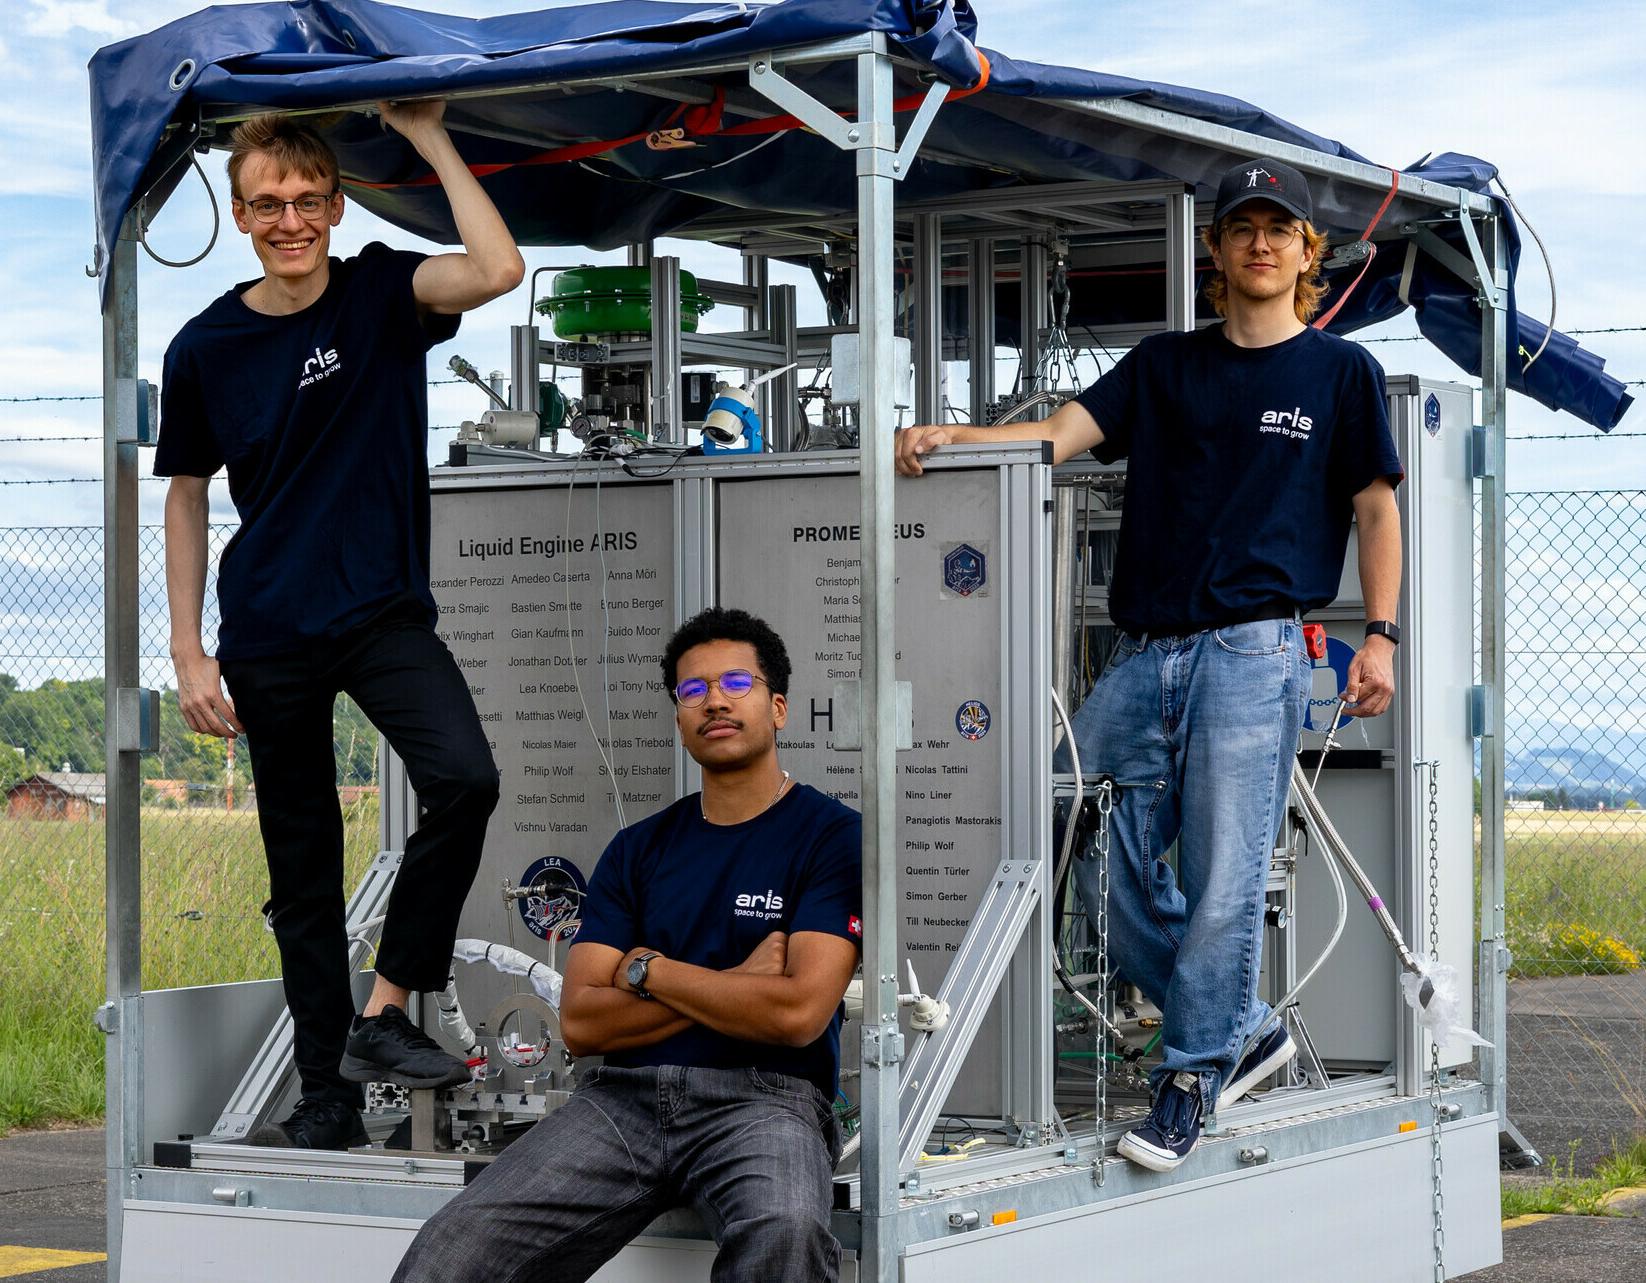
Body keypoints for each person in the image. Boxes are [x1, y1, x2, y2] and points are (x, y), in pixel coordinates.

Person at [895, 156, 1405, 1173]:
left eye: (1280, 230)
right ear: (1213, 252)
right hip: (1143, 655)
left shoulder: (1337, 373)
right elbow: (1051, 439)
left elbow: (1375, 506)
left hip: (1253, 654)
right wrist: (959, 437)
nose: (1260, 243)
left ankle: (1185, 1080)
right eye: (1240, 229)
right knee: (1059, 821)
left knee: (1222, 881)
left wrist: (1381, 634)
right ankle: (1242, 1025)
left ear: (1308, 251)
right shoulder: (1163, 365)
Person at [155, 103, 527, 1151]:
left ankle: (383, 1009)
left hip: (380, 611)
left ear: (334, 203)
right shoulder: (204, 347)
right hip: (266, 627)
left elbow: (498, 268)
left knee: (464, 776)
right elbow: (184, 492)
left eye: (306, 200)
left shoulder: (379, 290)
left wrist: (431, 138)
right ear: (238, 214)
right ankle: (326, 1102)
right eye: (267, 203)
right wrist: (187, 648)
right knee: (303, 875)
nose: (288, 220)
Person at [392, 608, 859, 1283]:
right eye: (691, 691)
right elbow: (582, 1022)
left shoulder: (831, 836)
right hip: (621, 1100)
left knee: (783, 1232)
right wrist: (730, 979)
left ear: (778, 706)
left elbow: (795, 1016)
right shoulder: (637, 849)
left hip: (765, 1101)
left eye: (735, 681)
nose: (714, 700)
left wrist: (644, 969)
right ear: (677, 716)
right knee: (452, 1246)